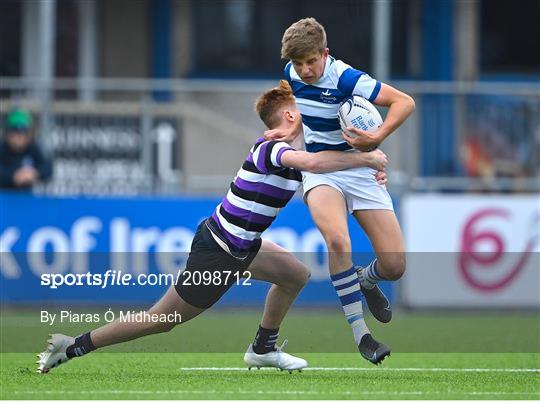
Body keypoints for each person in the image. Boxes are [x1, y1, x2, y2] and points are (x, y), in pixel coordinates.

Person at [37, 80, 389, 374]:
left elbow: (324, 164)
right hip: (217, 253)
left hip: (243, 246)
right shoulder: (272, 148)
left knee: (295, 275)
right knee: (160, 319)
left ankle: (263, 348)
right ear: (291, 114)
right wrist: (365, 157)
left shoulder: (300, 153)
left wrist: (368, 169)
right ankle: (73, 346)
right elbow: (314, 162)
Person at [265, 18, 416, 364]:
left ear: (325, 54)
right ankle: (361, 334)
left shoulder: (347, 78)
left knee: (394, 266)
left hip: (362, 169)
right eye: (298, 63)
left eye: (311, 62)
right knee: (337, 240)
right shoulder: (291, 73)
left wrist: (376, 139)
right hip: (323, 170)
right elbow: (302, 108)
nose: (304, 70)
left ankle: (366, 279)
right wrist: (292, 132)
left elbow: (405, 102)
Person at [0, 108, 52, 189]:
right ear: (8, 134)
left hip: (26, 197)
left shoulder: (33, 148)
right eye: (15, 132)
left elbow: (47, 167)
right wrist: (13, 176)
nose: (19, 137)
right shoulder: (2, 148)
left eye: (23, 133)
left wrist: (34, 173)